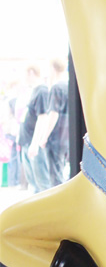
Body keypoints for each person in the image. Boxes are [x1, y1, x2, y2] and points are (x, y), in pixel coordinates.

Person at [30, 58, 69, 187]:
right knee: (63, 172)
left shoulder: (56, 88)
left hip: (56, 138)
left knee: (56, 177)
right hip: (67, 137)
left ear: (53, 68)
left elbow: (53, 114)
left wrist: (44, 137)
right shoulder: (69, 86)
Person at [18, 66, 50, 193]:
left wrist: (35, 143)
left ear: (31, 73)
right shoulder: (34, 91)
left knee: (42, 183)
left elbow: (42, 118)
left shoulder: (41, 91)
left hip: (33, 142)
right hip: (27, 141)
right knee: (34, 183)